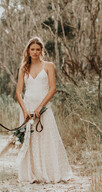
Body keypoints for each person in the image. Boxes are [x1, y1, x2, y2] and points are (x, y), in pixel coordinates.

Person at [15, 36, 73, 183]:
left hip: (43, 108)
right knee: (30, 140)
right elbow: (18, 93)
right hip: (27, 108)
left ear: (42, 51)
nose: (35, 52)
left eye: (38, 49)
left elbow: (53, 88)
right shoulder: (23, 68)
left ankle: (49, 172)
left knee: (47, 139)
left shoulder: (48, 66)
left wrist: (40, 108)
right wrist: (25, 111)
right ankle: (32, 174)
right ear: (28, 51)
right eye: (32, 49)